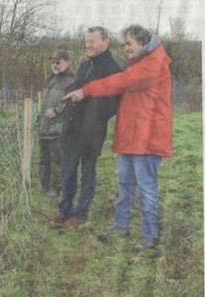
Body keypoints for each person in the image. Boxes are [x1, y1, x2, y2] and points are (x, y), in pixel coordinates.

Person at [63, 25, 172, 252]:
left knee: (147, 188)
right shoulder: (141, 64)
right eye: (124, 44)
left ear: (143, 43)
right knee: (125, 184)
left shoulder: (153, 65)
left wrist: (86, 90)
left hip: (147, 139)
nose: (125, 49)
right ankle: (121, 225)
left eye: (129, 43)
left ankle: (150, 234)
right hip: (132, 138)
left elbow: (120, 81)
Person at [52, 26, 121, 228]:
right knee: (68, 171)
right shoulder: (84, 65)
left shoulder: (113, 68)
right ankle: (64, 209)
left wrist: (92, 116)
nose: (87, 45)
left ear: (106, 42)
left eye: (92, 41)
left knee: (88, 173)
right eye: (86, 41)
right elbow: (74, 89)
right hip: (73, 129)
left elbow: (112, 104)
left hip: (92, 132)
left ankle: (81, 213)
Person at [36, 49, 75, 198]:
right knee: (43, 159)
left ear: (67, 62)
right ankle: (44, 186)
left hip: (59, 128)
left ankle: (55, 189)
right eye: (53, 62)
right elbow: (43, 104)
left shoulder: (71, 80)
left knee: (57, 160)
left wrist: (57, 112)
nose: (55, 65)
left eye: (58, 61)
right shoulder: (50, 79)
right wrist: (39, 121)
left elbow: (70, 103)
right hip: (45, 128)